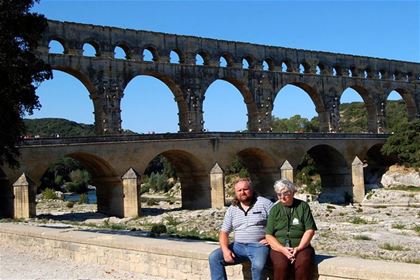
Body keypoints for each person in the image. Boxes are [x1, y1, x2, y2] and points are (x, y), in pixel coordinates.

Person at [209, 178, 273, 280]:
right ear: (235, 193)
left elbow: (278, 224)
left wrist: (270, 239)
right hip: (238, 247)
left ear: (251, 190)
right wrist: (225, 250)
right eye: (239, 190)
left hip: (258, 246)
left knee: (259, 266)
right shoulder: (232, 209)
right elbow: (224, 232)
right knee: (214, 257)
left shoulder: (265, 204)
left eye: (245, 189)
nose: (242, 192)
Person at [265, 179, 317, 280]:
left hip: (301, 246)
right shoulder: (275, 209)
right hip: (279, 247)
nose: (282, 197)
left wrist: (299, 248)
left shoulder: (303, 207)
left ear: (293, 192)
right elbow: (269, 235)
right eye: (279, 194)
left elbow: (310, 230)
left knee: (303, 262)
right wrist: (282, 249)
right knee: (280, 265)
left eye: (285, 193)